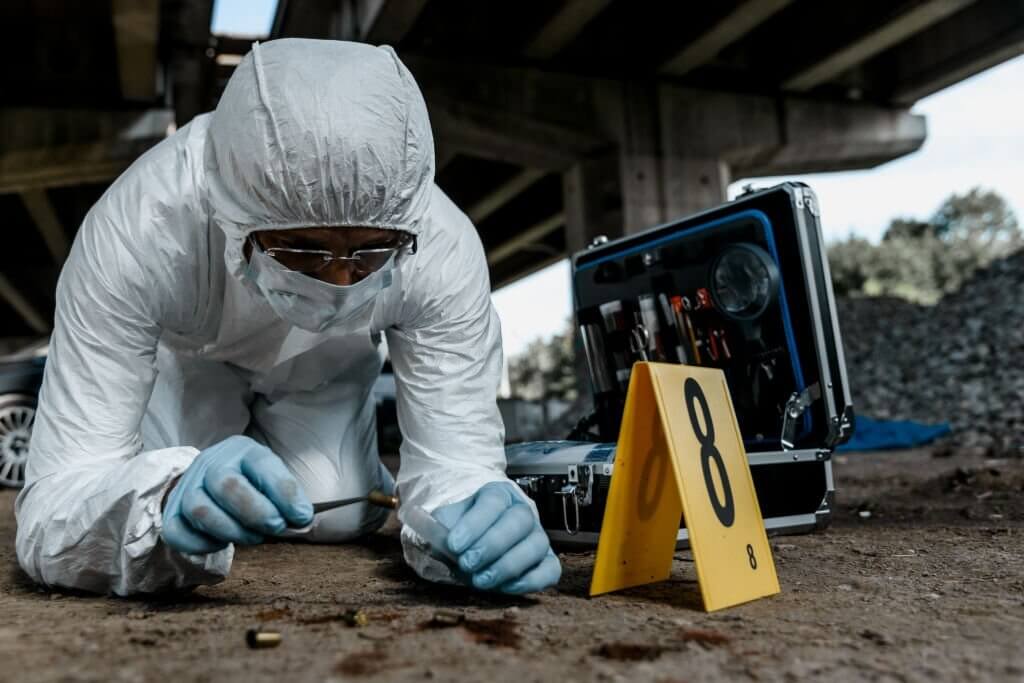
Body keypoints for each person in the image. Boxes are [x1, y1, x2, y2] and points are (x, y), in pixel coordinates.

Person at [15, 39, 560, 596]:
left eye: (371, 251)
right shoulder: (138, 229)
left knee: (337, 511)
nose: (341, 282)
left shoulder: (440, 245)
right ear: (231, 215)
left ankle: (335, 473)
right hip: (188, 357)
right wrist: (161, 498)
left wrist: (472, 513)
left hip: (322, 364)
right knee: (181, 506)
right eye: (302, 249)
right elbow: (57, 502)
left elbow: (457, 457)